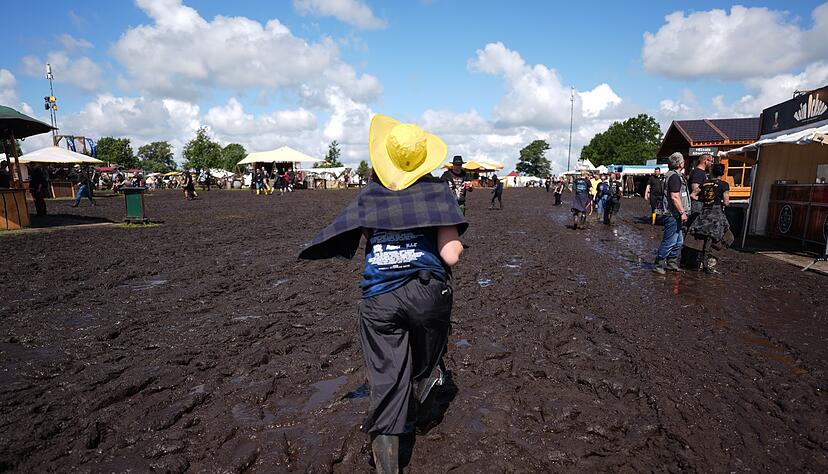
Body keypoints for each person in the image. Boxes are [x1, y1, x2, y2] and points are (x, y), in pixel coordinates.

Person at [299, 114, 466, 473]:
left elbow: (355, 235)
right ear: (424, 159)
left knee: (388, 377)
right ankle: (424, 394)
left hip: (380, 300)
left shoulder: (370, 196)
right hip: (428, 293)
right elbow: (451, 254)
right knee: (424, 365)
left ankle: (388, 465)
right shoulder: (438, 192)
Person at [688, 163, 731, 273]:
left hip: (704, 214)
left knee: (702, 237)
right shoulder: (724, 184)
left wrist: (702, 200)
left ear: (712, 172)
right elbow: (726, 202)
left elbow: (692, 195)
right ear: (723, 173)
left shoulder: (704, 183)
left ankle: (700, 263)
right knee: (723, 237)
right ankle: (710, 264)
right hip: (716, 216)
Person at [653, 152, 690, 274]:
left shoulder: (673, 175)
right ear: (680, 163)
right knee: (670, 240)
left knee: (679, 241)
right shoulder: (674, 177)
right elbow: (674, 197)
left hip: (674, 214)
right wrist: (682, 212)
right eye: (683, 161)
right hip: (672, 214)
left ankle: (671, 263)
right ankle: (658, 264)